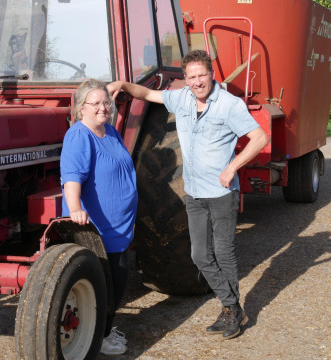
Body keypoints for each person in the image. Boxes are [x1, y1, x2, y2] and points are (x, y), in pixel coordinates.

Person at [107, 50, 269, 340]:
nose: (197, 82)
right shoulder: (180, 98)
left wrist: (233, 167)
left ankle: (230, 309)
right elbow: (146, 93)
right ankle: (232, 306)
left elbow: (259, 138)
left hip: (220, 194)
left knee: (224, 253)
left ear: (212, 75)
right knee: (199, 255)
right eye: (191, 77)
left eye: (201, 75)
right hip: (194, 194)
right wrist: (122, 84)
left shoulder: (229, 105)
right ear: (186, 79)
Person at [60, 79, 138, 355]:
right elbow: (72, 176)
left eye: (106, 102)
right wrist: (74, 209)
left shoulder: (110, 132)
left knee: (116, 282)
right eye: (96, 103)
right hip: (97, 228)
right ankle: (99, 336)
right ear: (82, 108)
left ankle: (104, 329)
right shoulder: (80, 135)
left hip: (118, 228)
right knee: (105, 286)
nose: (104, 108)